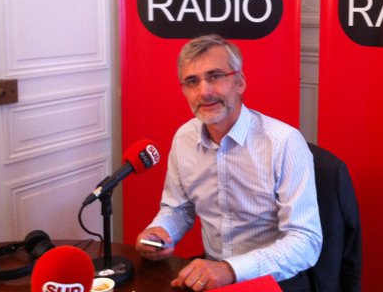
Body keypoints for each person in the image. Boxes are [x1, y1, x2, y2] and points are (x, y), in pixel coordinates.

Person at [135, 34, 322, 291]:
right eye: (192, 81)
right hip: (212, 276)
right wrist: (160, 231)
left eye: (215, 76)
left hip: (274, 279)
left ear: (240, 82)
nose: (204, 91)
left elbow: (306, 241)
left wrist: (231, 270)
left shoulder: (284, 142)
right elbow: (178, 208)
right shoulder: (184, 138)